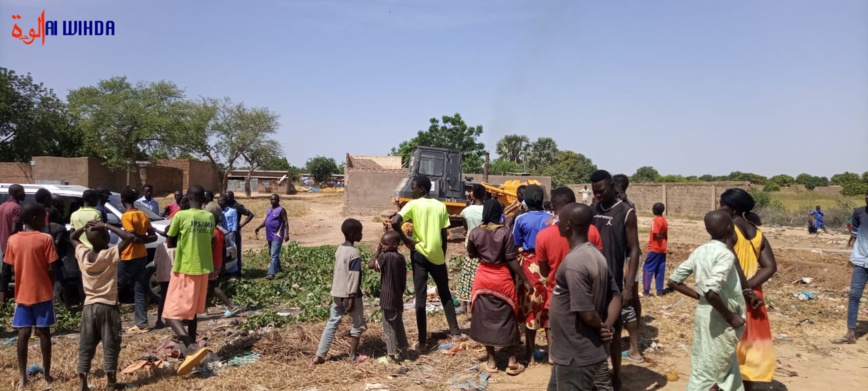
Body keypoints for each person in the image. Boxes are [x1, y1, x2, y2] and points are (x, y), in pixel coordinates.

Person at [668, 210, 747, 391]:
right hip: (721, 319)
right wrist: (730, 316)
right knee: (712, 371)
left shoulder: (700, 251)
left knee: (716, 363)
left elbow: (673, 280)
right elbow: (711, 291)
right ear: (730, 228)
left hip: (704, 314)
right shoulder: (725, 255)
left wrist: (699, 296)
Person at [547, 202, 620, 391]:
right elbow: (615, 296)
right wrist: (607, 325)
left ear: (568, 225)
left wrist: (600, 326)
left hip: (575, 353)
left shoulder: (574, 263)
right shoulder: (596, 255)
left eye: (559, 220)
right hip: (570, 351)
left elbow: (586, 312)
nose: (556, 222)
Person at [391, 176, 463, 350]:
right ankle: (456, 333)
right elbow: (444, 235)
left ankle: (422, 342)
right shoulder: (440, 206)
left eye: (413, 187)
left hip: (419, 255)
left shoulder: (413, 205)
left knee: (421, 297)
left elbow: (394, 222)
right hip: (438, 256)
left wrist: (406, 240)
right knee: (445, 293)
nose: (411, 190)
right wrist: (442, 256)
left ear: (422, 189)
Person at [719, 188, 777, 389]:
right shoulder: (757, 232)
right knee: (750, 343)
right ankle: (747, 384)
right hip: (754, 296)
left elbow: (731, 262)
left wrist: (741, 289)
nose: (719, 208)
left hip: (732, 294)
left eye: (722, 204)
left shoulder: (727, 229)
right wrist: (750, 289)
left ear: (733, 208)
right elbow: (770, 266)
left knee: (727, 341)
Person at [536, 187, 602, 363]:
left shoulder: (543, 235)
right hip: (586, 295)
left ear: (552, 206)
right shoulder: (592, 231)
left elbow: (544, 271)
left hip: (556, 295)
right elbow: (598, 263)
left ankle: (553, 357)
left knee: (552, 328)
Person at [589, 170, 641, 390]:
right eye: (595, 192)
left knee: (614, 332)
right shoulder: (592, 209)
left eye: (601, 191)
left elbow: (634, 250)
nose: (598, 195)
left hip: (613, 284)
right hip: (591, 281)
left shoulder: (626, 212)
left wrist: (628, 287)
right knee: (592, 330)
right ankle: (594, 377)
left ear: (611, 186)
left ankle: (617, 375)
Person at [1, 204, 61, 388]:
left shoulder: (13, 240)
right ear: (35, 218)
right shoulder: (46, 239)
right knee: (44, 333)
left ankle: (22, 378)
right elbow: (51, 268)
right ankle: (47, 375)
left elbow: (11, 268)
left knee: (23, 333)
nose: (45, 221)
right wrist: (51, 285)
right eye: (43, 217)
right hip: (43, 293)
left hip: (22, 294)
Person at [467, 199, 529, 375]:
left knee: (484, 317)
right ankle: (512, 361)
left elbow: (471, 254)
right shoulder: (505, 232)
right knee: (508, 316)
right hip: (502, 279)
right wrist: (525, 279)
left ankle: (491, 361)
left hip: (483, 278)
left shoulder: (475, 232)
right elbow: (511, 259)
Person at [71, 220, 134, 391]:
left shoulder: (83, 255)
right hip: (108, 306)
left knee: (86, 345)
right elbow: (128, 237)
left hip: (88, 306)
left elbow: (73, 237)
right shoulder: (109, 254)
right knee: (111, 344)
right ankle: (111, 384)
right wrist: (106, 225)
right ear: (106, 238)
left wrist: (84, 228)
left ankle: (83, 384)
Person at [164, 185, 215, 375]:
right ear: (203, 199)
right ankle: (191, 354)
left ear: (187, 197)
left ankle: (190, 345)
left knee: (169, 314)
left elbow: (170, 241)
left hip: (185, 268)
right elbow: (211, 240)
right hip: (203, 269)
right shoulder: (209, 217)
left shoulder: (181, 215)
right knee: (192, 313)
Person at [312, 218, 368, 365]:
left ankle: (320, 355)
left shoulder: (339, 249)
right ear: (352, 233)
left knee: (332, 322)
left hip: (337, 293)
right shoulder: (354, 252)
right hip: (350, 294)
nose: (362, 235)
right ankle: (353, 356)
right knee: (357, 324)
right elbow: (354, 276)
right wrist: (351, 297)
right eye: (360, 232)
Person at [511, 184, 550, 362]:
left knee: (529, 307)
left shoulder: (521, 219)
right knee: (547, 307)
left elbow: (516, 243)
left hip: (528, 265)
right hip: (548, 265)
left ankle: (529, 352)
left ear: (525, 200)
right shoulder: (551, 219)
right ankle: (552, 352)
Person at [118, 189, 157, 333]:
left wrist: (138, 239)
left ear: (123, 201)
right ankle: (142, 324)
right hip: (142, 255)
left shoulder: (126, 216)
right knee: (139, 289)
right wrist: (145, 239)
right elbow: (152, 235)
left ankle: (111, 323)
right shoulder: (142, 214)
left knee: (114, 288)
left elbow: (131, 237)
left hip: (129, 256)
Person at [368, 230, 408, 364]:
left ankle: (391, 355)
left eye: (385, 244)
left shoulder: (385, 257)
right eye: (382, 244)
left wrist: (378, 251)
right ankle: (405, 351)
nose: (383, 246)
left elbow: (371, 265)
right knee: (399, 324)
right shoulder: (401, 258)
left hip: (387, 298)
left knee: (389, 327)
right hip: (398, 297)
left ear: (395, 244)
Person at [833, 189, 868, 344]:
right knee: (854, 296)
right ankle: (850, 333)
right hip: (860, 261)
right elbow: (855, 234)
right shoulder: (859, 212)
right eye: (866, 195)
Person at [457, 184, 486, 312]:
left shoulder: (466, 211)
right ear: (484, 195)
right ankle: (478, 304)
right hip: (485, 248)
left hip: (470, 247)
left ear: (472, 195)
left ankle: (464, 305)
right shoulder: (487, 210)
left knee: (467, 277)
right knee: (481, 278)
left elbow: (465, 228)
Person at [255, 194, 290, 280]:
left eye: (274, 200)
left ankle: (271, 273)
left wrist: (287, 234)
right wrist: (259, 227)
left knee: (274, 254)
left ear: (278, 200)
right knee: (272, 253)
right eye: (271, 199)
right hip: (269, 234)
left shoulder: (281, 210)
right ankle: (279, 269)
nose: (272, 201)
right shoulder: (269, 210)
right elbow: (266, 220)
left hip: (277, 235)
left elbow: (286, 222)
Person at [226, 191, 255, 279]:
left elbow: (250, 214)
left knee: (236, 251)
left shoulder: (237, 206)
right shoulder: (226, 206)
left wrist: (241, 225)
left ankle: (237, 273)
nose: (227, 199)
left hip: (235, 232)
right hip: (228, 232)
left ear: (232, 197)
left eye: (228, 197)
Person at [643, 203, 669, 296]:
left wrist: (660, 236)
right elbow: (666, 236)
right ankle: (659, 290)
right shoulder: (665, 221)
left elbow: (656, 235)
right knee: (660, 269)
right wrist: (663, 237)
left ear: (656, 211)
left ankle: (646, 290)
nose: (652, 210)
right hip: (663, 249)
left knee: (647, 268)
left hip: (654, 248)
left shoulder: (655, 221)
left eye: (653, 209)